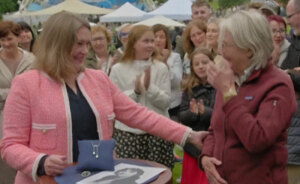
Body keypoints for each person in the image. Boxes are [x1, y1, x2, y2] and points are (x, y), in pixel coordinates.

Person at [0, 12, 207, 184]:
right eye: (78, 44)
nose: (84, 50)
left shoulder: (98, 79)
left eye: (86, 44)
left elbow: (139, 115)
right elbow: (10, 145)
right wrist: (40, 161)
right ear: (57, 44)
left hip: (99, 178)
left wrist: (187, 134)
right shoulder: (26, 84)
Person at [200, 10, 297, 184]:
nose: (220, 51)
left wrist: (229, 94)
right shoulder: (231, 77)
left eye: (226, 44)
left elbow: (258, 140)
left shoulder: (278, 84)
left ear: (249, 50)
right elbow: (215, 129)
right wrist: (206, 157)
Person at [109, 25, 176, 169]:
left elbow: (166, 103)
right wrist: (136, 92)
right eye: (146, 41)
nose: (151, 45)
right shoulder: (117, 69)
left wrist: (149, 88)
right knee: (130, 177)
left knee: (160, 177)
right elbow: (115, 105)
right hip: (129, 135)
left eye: (152, 41)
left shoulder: (161, 67)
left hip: (158, 133)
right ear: (133, 43)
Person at [0, 20, 35, 184]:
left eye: (9, 39)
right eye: (2, 40)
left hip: (29, 118)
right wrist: (16, 93)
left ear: (18, 38)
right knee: (5, 162)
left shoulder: (32, 60)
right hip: (2, 118)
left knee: (25, 158)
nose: (6, 43)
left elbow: (38, 88)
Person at [179, 47, 215, 184]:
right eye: (197, 64)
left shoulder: (219, 86)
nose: (201, 66)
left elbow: (221, 114)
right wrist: (192, 113)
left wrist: (204, 112)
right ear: (192, 68)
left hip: (211, 144)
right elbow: (181, 115)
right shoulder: (189, 88)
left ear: (212, 63)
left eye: (204, 62)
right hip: (192, 146)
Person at [282, 1, 300, 182]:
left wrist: (289, 75)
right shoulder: (294, 41)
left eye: (289, 16)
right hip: (293, 131)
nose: (287, 22)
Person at [152, 24, 183, 121]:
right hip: (153, 104)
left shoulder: (175, 57)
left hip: (172, 105)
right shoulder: (145, 58)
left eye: (161, 37)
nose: (158, 40)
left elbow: (177, 82)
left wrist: (165, 63)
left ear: (166, 40)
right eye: (155, 37)